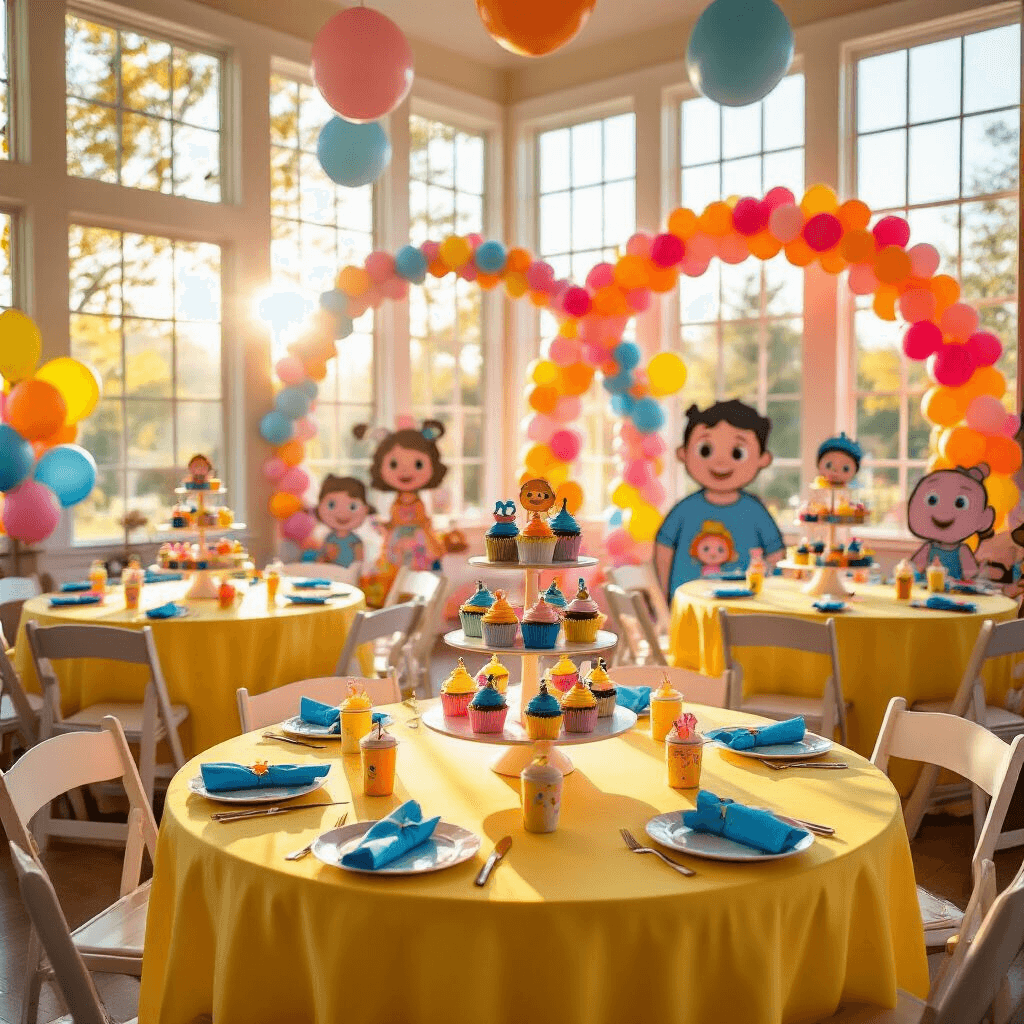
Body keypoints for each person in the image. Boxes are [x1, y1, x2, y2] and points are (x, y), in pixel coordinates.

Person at [654, 400, 784, 600]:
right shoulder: (685, 510)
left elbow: (776, 554)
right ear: (683, 453)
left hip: (744, 604)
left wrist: (769, 591)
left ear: (762, 458)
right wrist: (662, 597)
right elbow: (664, 550)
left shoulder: (754, 511)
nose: (721, 461)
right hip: (688, 603)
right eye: (705, 450)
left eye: (737, 453)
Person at [357, 419, 448, 571]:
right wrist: (383, 525)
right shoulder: (397, 504)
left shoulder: (418, 506)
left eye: (418, 464)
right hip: (397, 541)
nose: (405, 472)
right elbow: (395, 522)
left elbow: (418, 520)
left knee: (417, 569)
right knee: (395, 569)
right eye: (394, 464)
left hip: (418, 541)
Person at [907, 463, 995, 581]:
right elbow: (914, 568)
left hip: (954, 588)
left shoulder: (962, 550)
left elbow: (970, 574)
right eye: (932, 500)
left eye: (960, 503)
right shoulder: (928, 548)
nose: (944, 512)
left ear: (984, 519)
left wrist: (980, 571)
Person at [315, 476, 375, 568]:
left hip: (348, 574)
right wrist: (324, 559)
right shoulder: (329, 538)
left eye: (352, 507)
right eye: (331, 505)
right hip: (330, 573)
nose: (342, 513)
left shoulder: (355, 540)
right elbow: (321, 558)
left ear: (365, 510)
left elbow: (359, 562)